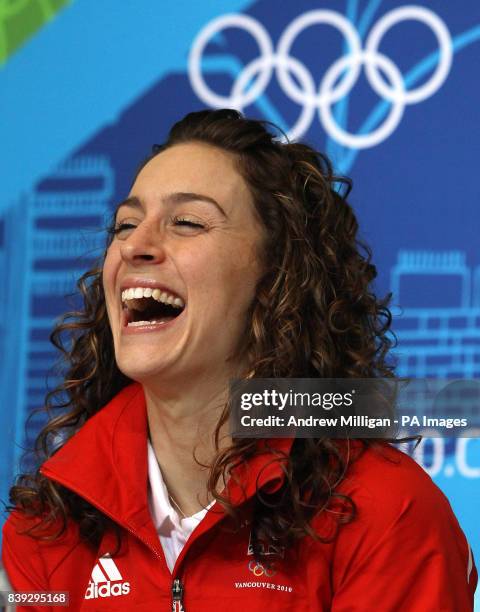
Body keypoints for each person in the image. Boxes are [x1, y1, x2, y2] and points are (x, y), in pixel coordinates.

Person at [2, 109, 477, 611]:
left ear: (277, 281)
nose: (135, 245)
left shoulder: (384, 511)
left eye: (186, 222)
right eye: (125, 224)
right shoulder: (47, 531)